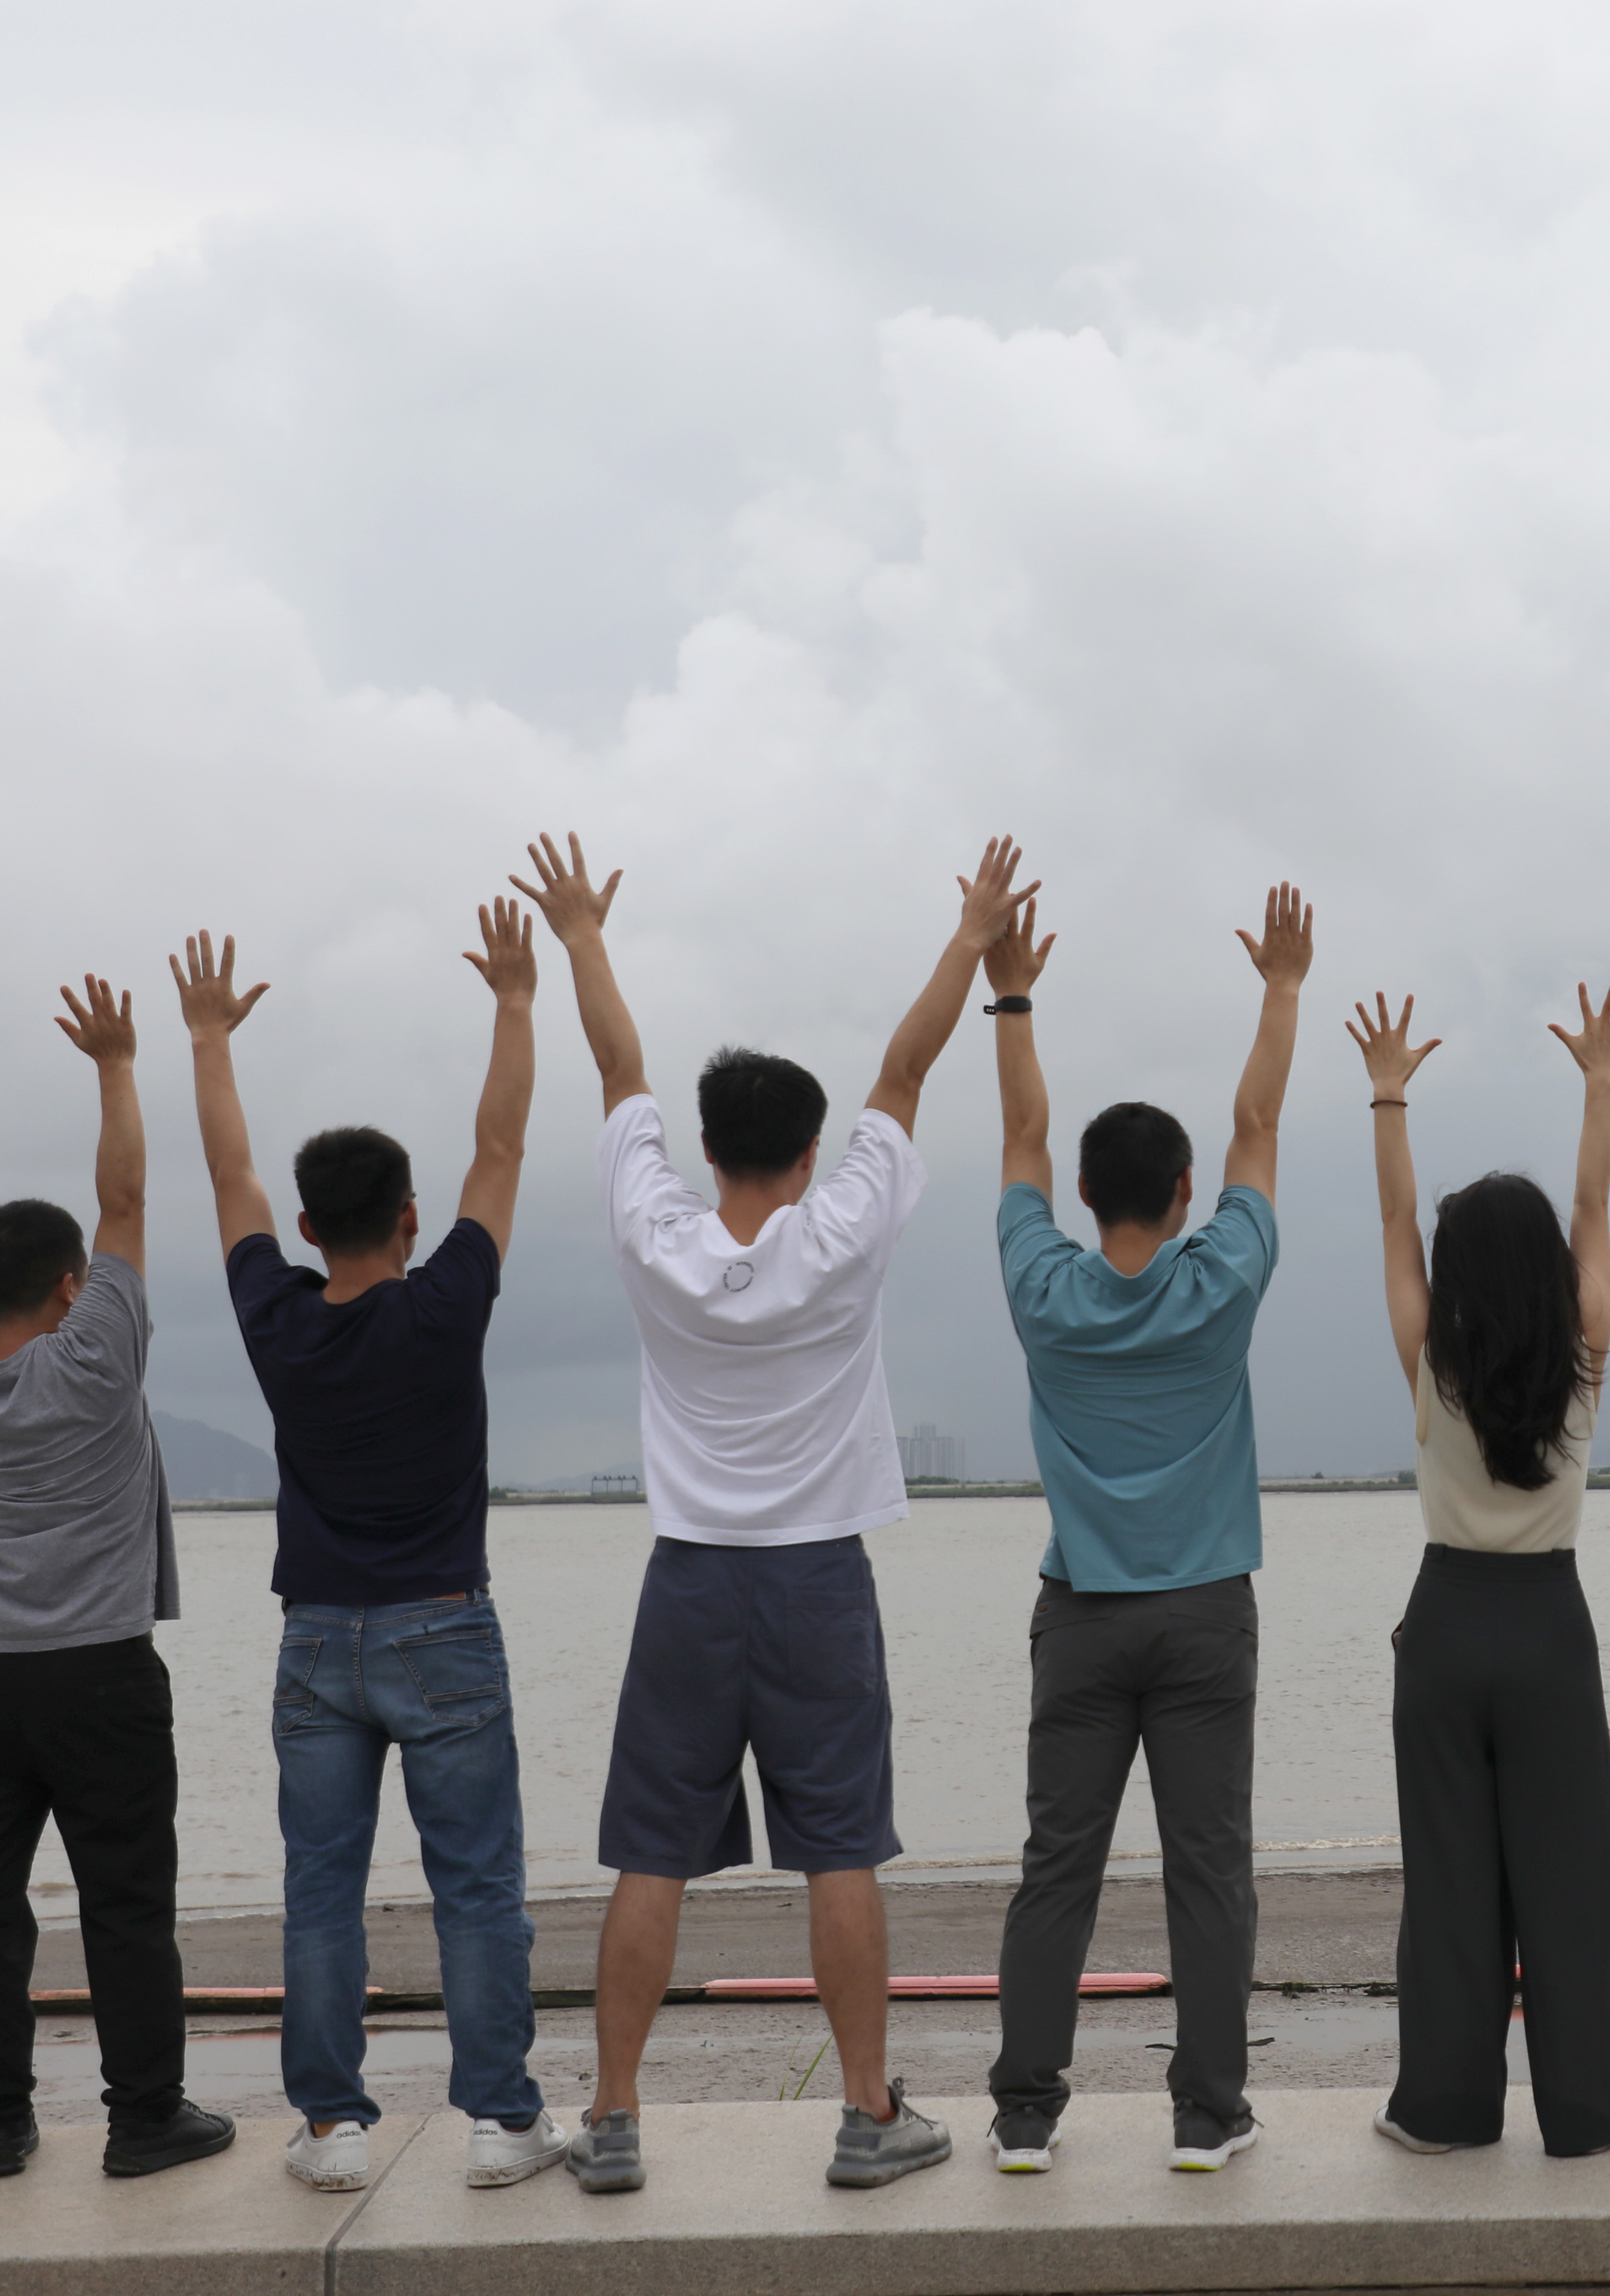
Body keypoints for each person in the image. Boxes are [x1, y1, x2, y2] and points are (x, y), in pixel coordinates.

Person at [513, 830, 1036, 2199]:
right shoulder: (843, 1226)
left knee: (650, 1852)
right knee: (841, 1843)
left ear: (708, 1149)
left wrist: (582, 935)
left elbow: (620, 1068)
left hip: (688, 1578)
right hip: (814, 1579)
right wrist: (976, 937)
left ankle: (614, 2115)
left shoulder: (655, 1231)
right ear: (807, 1155)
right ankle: (868, 2113)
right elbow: (907, 1072)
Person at [172, 904, 568, 2194]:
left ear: (308, 1222)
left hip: (316, 1637)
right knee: (475, 1889)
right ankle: (503, 2118)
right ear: (408, 1215)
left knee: (321, 1894)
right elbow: (500, 1141)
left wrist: (208, 1036)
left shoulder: (276, 1317)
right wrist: (516, 998)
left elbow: (228, 1178)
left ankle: (334, 2126)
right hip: (445, 1623)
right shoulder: (447, 1303)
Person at [0, 984, 236, 2184]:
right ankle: (142, 2120)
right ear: (75, 1287)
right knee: (124, 1899)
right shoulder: (98, 1358)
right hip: (103, 1677)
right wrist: (119, 1063)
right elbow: (125, 1198)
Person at [980, 881, 1311, 2176]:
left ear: (1080, 1193)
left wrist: (1011, 994)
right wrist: (1283, 986)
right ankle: (1204, 2109)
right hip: (1205, 1614)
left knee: (1054, 1865)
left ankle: (1023, 2114)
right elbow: (1260, 1119)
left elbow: (1018, 1123)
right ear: (1184, 1194)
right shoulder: (1221, 1282)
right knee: (1209, 1868)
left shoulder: (1042, 1288)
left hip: (1080, 1618)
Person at [1349, 983, 1610, 2160]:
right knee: (1572, 1876)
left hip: (1443, 1625)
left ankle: (1445, 2110)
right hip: (1547, 1627)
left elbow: (1391, 1224)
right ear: (1546, 1271)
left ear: (1459, 1274)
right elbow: (1591, 1198)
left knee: (1451, 1882)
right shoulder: (1583, 1350)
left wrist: (1387, 1091)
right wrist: (1601, 1077)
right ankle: (1588, 2113)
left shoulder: (1433, 1361)